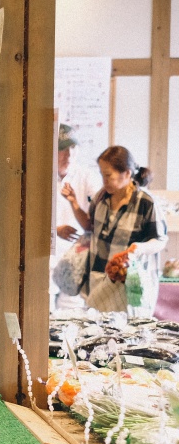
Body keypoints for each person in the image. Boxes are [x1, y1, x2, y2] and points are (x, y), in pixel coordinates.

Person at [83, 145, 168, 314]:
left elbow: (160, 239)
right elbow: (89, 226)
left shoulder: (146, 202)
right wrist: (73, 204)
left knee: (128, 335)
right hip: (99, 278)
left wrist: (139, 248)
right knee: (97, 333)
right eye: (102, 175)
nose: (104, 181)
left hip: (130, 283)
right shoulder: (101, 197)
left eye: (108, 176)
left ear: (127, 173)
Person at [52, 124, 99, 310]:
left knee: (71, 311)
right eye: (62, 149)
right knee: (42, 309)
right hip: (45, 253)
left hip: (77, 255)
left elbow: (99, 208)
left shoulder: (86, 175)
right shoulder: (39, 174)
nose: (68, 155)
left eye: (72, 148)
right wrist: (54, 230)